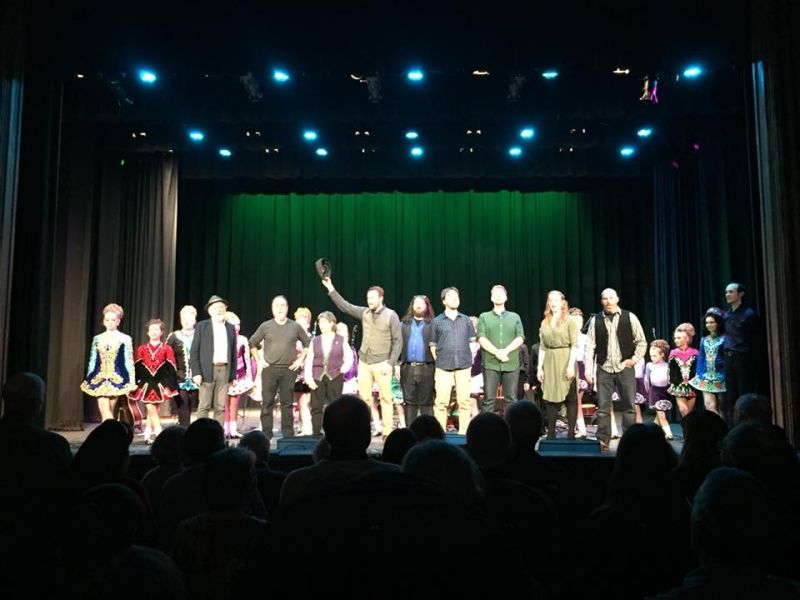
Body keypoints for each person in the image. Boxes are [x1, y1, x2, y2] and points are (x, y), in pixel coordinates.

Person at [322, 276, 402, 438]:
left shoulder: (391, 315)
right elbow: (345, 306)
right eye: (368, 298)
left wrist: (390, 362)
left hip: (382, 363)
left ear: (381, 298)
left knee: (386, 398)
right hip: (365, 363)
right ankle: (364, 430)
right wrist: (330, 288)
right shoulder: (365, 313)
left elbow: (398, 341)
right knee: (364, 399)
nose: (369, 300)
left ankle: (387, 432)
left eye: (372, 297)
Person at [584, 288, 647, 450]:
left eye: (611, 298)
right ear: (601, 301)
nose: (608, 301)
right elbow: (590, 346)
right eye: (605, 299)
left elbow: (641, 341)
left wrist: (633, 360)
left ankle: (629, 441)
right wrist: (588, 369)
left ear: (617, 299)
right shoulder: (596, 320)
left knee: (629, 406)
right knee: (603, 407)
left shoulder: (629, 317)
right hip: (604, 367)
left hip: (624, 367)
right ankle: (603, 440)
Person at [248, 296, 310, 439]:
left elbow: (307, 342)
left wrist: (300, 360)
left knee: (287, 404)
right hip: (269, 369)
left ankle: (288, 434)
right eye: (277, 306)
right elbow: (252, 342)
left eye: (283, 305)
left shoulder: (295, 326)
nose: (280, 308)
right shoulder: (265, 326)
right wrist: (259, 361)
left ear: (287, 308)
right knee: (267, 402)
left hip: (289, 370)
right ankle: (266, 434)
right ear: (272, 309)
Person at [430, 287, 476, 434]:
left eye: (456, 296)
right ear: (444, 301)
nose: (455, 299)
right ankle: (440, 433)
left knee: (464, 402)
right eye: (450, 296)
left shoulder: (466, 320)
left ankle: (464, 433)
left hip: (463, 365)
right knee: (441, 402)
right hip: (443, 366)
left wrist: (469, 358)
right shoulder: (437, 321)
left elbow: (472, 342)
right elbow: (433, 345)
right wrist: (439, 360)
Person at [81, 303, 137, 421]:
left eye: (113, 320)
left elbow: (129, 360)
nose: (110, 322)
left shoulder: (125, 338)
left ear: (118, 321)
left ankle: (109, 431)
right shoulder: (97, 338)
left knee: (109, 412)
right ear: (103, 321)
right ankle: (112, 430)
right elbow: (93, 359)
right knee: (104, 408)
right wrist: (89, 376)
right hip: (99, 377)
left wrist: (131, 380)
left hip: (117, 378)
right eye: (107, 320)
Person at [537, 291, 581, 439]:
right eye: (550, 300)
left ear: (562, 302)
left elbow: (574, 344)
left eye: (556, 300)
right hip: (550, 361)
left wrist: (570, 366)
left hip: (566, 359)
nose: (553, 303)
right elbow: (542, 346)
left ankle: (571, 432)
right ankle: (551, 432)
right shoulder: (545, 322)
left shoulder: (570, 321)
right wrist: (540, 368)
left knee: (570, 397)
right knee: (550, 397)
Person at [303, 311, 355, 435]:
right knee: (316, 407)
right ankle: (316, 432)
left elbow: (349, 357)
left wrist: (342, 369)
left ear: (332, 323)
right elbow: (309, 360)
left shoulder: (341, 340)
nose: (321, 325)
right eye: (320, 323)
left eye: (324, 322)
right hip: (317, 376)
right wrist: (309, 378)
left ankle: (335, 432)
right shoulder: (315, 341)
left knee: (335, 406)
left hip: (335, 376)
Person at [476, 284, 525, 414]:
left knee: (511, 399)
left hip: (511, 363)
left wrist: (505, 351)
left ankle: (511, 425)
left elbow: (520, 337)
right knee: (489, 399)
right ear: (491, 298)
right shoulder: (484, 317)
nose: (498, 296)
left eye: (501, 293)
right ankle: (487, 425)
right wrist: (497, 352)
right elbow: (481, 338)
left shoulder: (515, 317)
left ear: (506, 297)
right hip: (491, 363)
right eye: (495, 294)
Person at [189, 295, 237, 425]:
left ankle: (218, 433)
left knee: (220, 407)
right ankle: (202, 432)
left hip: (224, 370)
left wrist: (233, 375)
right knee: (204, 405)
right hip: (207, 371)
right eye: (215, 308)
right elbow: (194, 351)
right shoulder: (202, 326)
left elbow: (233, 353)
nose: (219, 310)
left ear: (225, 309)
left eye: (221, 307)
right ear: (210, 311)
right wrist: (196, 373)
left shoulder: (230, 328)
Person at [130, 318, 179, 443]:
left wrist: (171, 385)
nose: (153, 332)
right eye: (151, 330)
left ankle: (147, 435)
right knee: (151, 407)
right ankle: (159, 433)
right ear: (147, 333)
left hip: (160, 383)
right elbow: (137, 367)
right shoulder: (142, 348)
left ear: (161, 332)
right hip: (146, 383)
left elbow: (171, 367)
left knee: (154, 409)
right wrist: (134, 383)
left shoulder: (167, 348)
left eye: (156, 329)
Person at [398, 294, 436, 425]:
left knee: (427, 402)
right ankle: (410, 431)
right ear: (412, 306)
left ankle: (428, 432)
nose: (418, 306)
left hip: (427, 368)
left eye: (421, 303)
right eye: (416, 303)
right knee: (409, 403)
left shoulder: (433, 324)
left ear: (427, 306)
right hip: (407, 368)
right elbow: (397, 345)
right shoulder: (403, 324)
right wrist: (397, 364)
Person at [723, 283, 759, 421]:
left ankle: (747, 423)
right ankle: (734, 424)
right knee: (731, 394)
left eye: (731, 292)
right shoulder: (727, 315)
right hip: (729, 357)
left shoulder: (748, 314)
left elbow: (755, 338)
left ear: (741, 294)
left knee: (744, 392)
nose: (727, 295)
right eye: (726, 292)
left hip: (743, 357)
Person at [224, 312, 256, 439]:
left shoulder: (242, 340)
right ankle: (225, 429)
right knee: (224, 404)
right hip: (225, 376)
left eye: (238, 325)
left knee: (234, 403)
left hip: (239, 376)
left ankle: (233, 429)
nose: (237, 327)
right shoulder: (223, 339)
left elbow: (246, 359)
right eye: (234, 325)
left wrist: (249, 378)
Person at [689, 307, 726, 416]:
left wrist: (725, 374)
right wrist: (700, 374)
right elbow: (701, 357)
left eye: (712, 322)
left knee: (723, 407)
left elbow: (727, 358)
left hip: (721, 376)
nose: (709, 325)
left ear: (718, 323)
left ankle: (724, 425)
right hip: (706, 376)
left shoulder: (725, 338)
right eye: (707, 323)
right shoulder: (704, 339)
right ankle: (715, 425)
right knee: (709, 405)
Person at [166, 305, 199, 426]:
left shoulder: (200, 335)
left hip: (198, 377)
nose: (186, 321)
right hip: (180, 377)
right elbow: (167, 357)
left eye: (189, 318)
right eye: (183, 318)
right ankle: (184, 429)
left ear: (194, 320)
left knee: (195, 405)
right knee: (183, 405)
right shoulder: (174, 336)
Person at [644, 339, 674, 440]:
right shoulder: (649, 365)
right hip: (654, 392)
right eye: (651, 356)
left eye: (655, 356)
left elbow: (670, 379)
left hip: (665, 391)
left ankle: (651, 431)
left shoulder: (667, 366)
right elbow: (646, 379)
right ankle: (668, 433)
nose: (652, 358)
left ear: (662, 355)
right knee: (661, 414)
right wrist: (647, 392)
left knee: (659, 414)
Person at [669, 323, 699, 417]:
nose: (676, 340)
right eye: (675, 338)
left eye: (679, 338)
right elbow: (671, 370)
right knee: (683, 410)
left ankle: (688, 426)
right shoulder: (673, 352)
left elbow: (697, 369)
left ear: (687, 339)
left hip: (692, 386)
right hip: (679, 386)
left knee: (689, 413)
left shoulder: (695, 352)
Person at [293, 307, 314, 436]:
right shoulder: (293, 339)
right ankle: (305, 427)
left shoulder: (312, 338)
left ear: (308, 323)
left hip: (310, 373)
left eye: (304, 322)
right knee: (301, 401)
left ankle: (306, 426)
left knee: (308, 402)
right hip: (297, 374)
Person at [569, 307, 589, 438]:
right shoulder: (567, 337)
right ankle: (577, 425)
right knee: (574, 400)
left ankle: (581, 428)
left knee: (577, 399)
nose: (578, 324)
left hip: (582, 367)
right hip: (570, 366)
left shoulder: (586, 338)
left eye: (580, 322)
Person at [336, 322, 359, 395]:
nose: (342, 333)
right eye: (339, 330)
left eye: (344, 331)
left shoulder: (352, 350)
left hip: (349, 384)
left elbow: (354, 368)